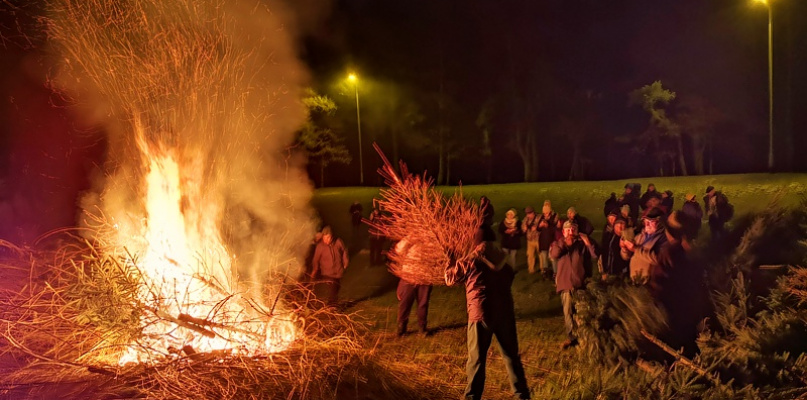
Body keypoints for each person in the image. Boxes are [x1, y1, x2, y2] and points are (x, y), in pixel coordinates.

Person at [445, 229, 531, 400]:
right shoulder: (505, 264)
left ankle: (472, 397)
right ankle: (522, 395)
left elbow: (450, 279)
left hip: (481, 314)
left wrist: (451, 262)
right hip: (505, 313)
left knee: (476, 360)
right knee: (511, 356)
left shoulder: (469, 262)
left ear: (476, 244)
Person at [550, 220, 597, 349]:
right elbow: (554, 254)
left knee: (582, 312)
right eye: (568, 230)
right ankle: (572, 338)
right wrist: (564, 243)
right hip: (565, 284)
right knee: (568, 313)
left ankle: (584, 336)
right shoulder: (558, 244)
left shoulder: (581, 245)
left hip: (580, 284)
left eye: (573, 229)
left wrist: (588, 243)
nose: (571, 232)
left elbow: (595, 255)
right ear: (563, 232)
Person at [394, 239, 433, 336]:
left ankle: (422, 328)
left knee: (423, 303)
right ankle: (401, 327)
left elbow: (436, 254)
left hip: (424, 276)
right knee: (405, 302)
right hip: (409, 275)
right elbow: (398, 249)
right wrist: (411, 238)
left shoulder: (431, 238)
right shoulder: (410, 237)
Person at [621, 207, 667, 283]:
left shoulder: (663, 239)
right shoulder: (639, 236)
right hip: (635, 279)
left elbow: (658, 259)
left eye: (651, 221)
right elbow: (626, 257)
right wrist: (624, 248)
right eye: (646, 221)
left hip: (650, 282)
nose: (647, 224)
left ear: (660, 223)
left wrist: (635, 249)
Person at [311, 226, 349, 305]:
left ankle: (333, 304)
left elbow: (344, 251)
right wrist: (315, 269)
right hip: (327, 273)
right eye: (325, 238)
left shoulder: (338, 242)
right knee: (333, 289)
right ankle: (331, 307)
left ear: (332, 236)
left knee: (336, 288)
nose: (326, 240)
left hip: (338, 271)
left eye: (328, 237)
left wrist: (345, 262)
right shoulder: (320, 247)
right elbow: (316, 259)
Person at [599, 213, 629, 279]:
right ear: (614, 226)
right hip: (607, 273)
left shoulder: (628, 239)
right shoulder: (608, 237)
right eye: (617, 226)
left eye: (622, 225)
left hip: (621, 275)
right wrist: (603, 271)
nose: (620, 228)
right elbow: (603, 253)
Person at [537, 201, 558, 277]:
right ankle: (545, 271)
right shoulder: (542, 217)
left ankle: (555, 272)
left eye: (546, 212)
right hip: (543, 241)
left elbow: (555, 228)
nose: (545, 214)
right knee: (544, 257)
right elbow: (538, 229)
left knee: (553, 257)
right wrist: (540, 225)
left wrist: (547, 225)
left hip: (551, 241)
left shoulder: (554, 216)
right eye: (544, 213)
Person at [521, 206, 540, 274]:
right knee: (530, 255)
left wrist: (536, 228)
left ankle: (543, 268)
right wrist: (524, 228)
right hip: (529, 240)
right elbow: (523, 227)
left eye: (529, 213)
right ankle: (531, 269)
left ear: (533, 213)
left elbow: (542, 226)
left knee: (540, 254)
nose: (527, 215)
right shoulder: (526, 219)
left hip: (538, 239)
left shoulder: (538, 218)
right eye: (527, 214)